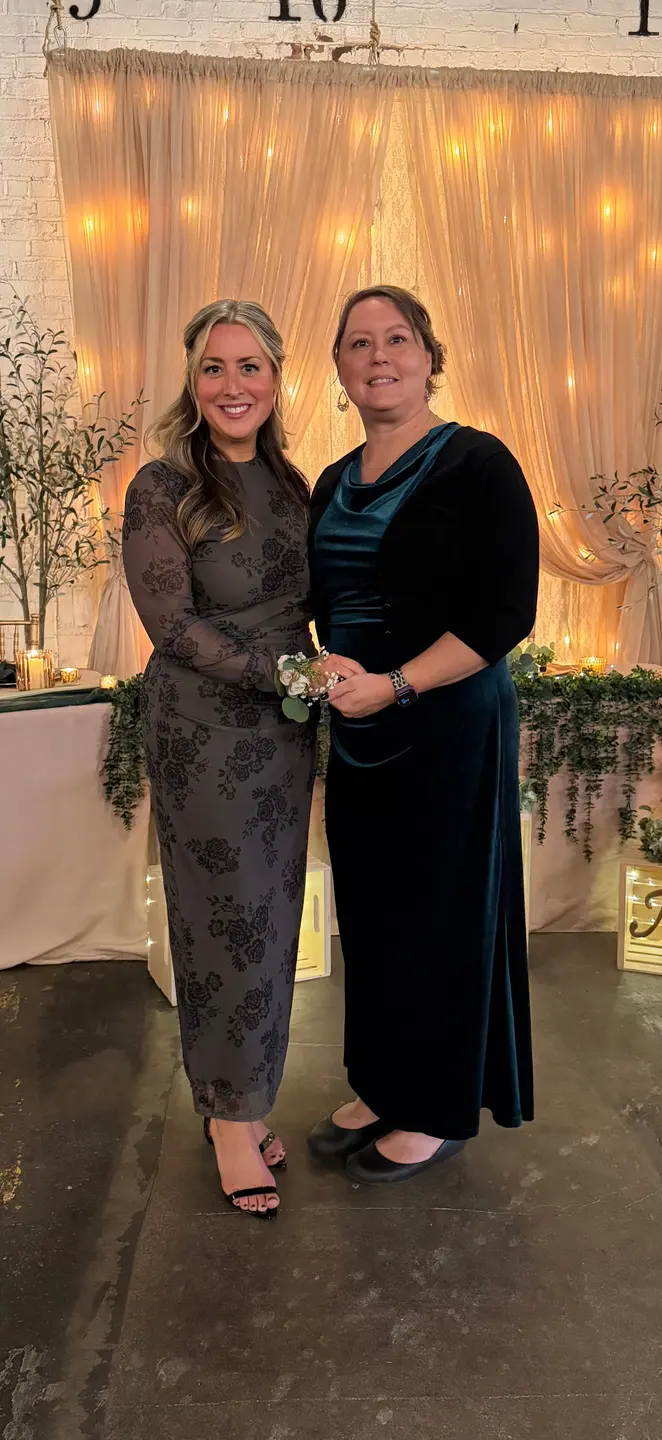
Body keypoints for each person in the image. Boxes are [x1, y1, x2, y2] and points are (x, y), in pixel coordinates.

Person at [307, 285, 539, 1185]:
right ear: (339, 368)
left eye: (397, 339)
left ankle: (436, 1108)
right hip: (361, 725)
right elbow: (328, 601)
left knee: (442, 913)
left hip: (448, 723)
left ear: (430, 358)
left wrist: (398, 683)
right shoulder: (331, 480)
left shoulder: (479, 463)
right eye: (359, 344)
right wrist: (331, 666)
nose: (379, 357)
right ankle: (384, 1083)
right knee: (373, 915)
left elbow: (504, 611)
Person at [123, 299, 323, 1220]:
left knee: (274, 918)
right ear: (192, 380)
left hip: (283, 735)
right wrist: (284, 673)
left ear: (276, 377)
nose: (233, 385)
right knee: (220, 919)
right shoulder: (162, 486)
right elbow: (171, 625)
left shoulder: (293, 483)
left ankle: (245, 1099)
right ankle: (230, 1118)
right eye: (215, 367)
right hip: (203, 733)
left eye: (250, 367)